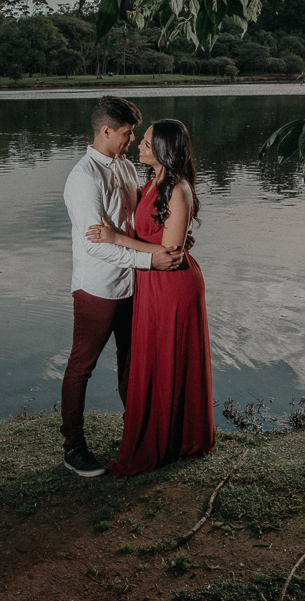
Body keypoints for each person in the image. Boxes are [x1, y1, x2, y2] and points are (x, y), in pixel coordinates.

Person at [61, 96, 185, 478]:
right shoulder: (83, 178)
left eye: (134, 134)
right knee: (82, 365)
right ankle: (74, 447)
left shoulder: (127, 169)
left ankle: (139, 434)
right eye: (128, 133)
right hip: (98, 288)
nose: (132, 140)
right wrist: (151, 259)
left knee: (132, 364)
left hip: (135, 287)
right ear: (106, 131)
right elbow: (95, 244)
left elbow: (132, 229)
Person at [86, 119, 215, 476]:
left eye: (145, 142)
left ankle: (175, 438)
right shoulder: (151, 183)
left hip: (173, 286)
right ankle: (161, 430)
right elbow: (158, 238)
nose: (138, 146)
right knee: (154, 358)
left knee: (168, 357)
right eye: (139, 140)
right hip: (150, 282)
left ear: (162, 150)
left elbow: (170, 251)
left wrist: (116, 239)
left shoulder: (178, 190)